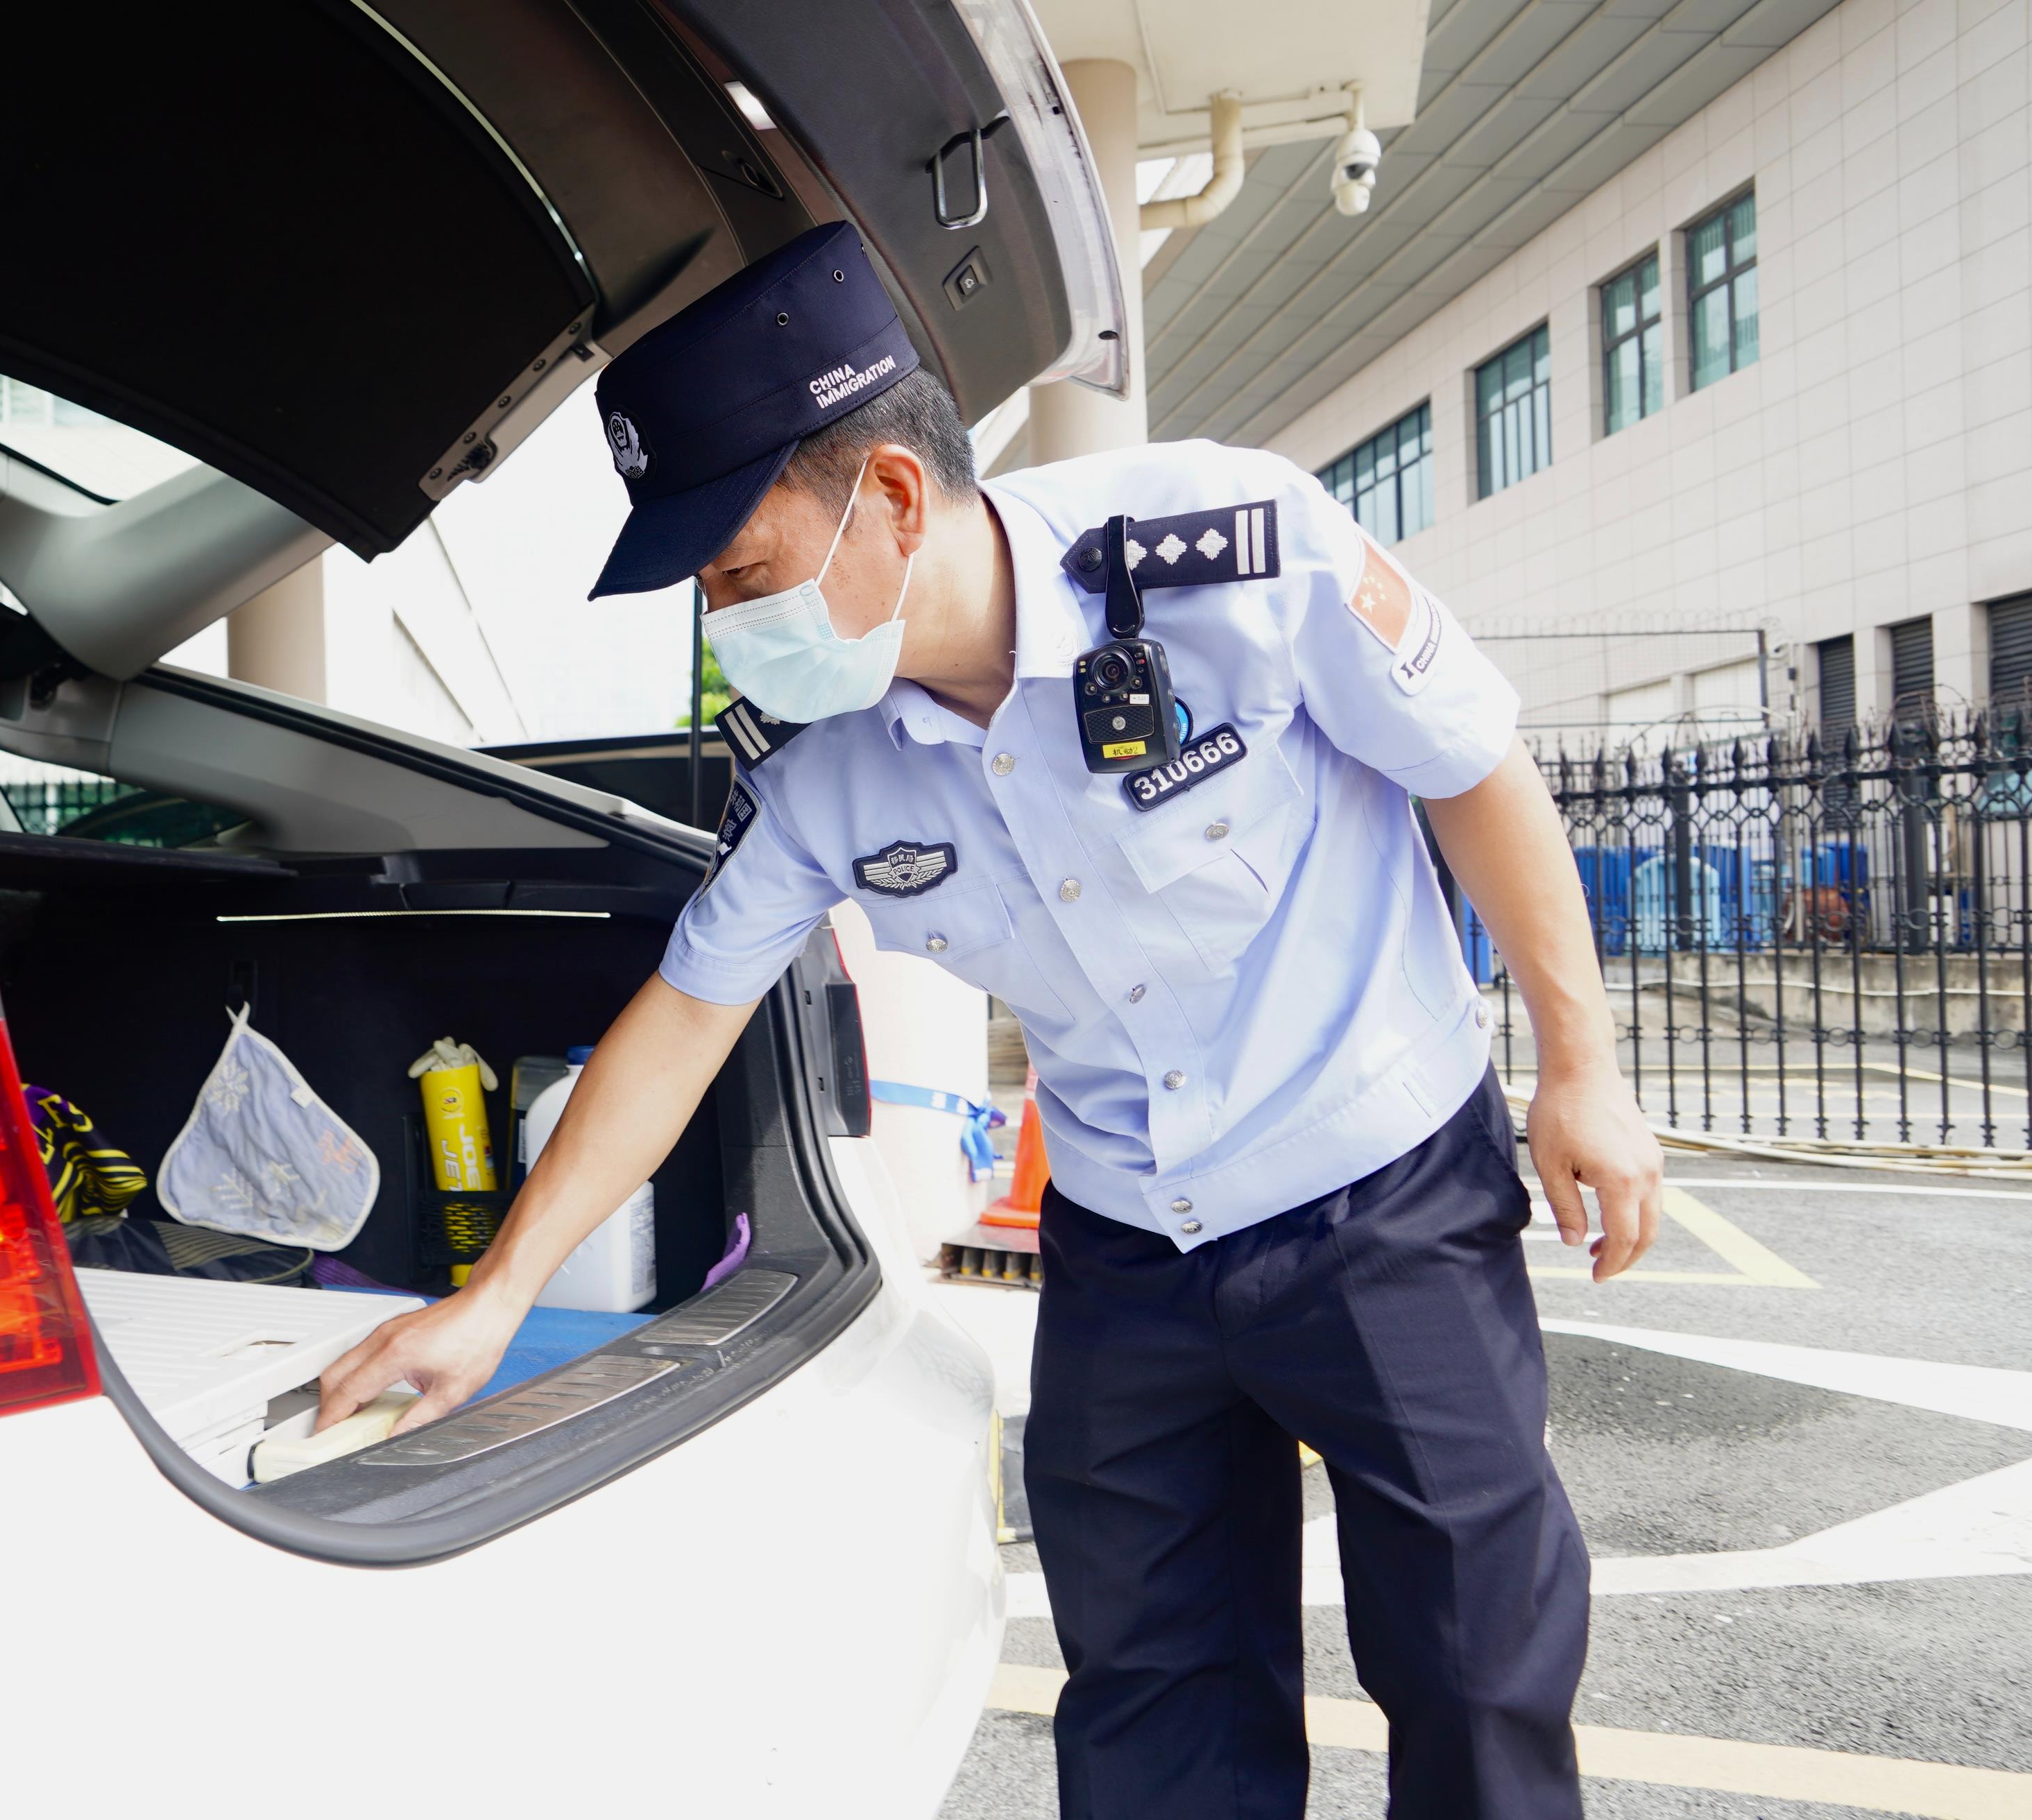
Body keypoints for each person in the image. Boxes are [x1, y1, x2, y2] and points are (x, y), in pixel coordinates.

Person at [316, 221, 1662, 1818]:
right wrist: (494, 1295)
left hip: (1377, 1188)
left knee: (1477, 1678)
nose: (726, 621)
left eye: (741, 573)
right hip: (1126, 1247)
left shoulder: (1231, 550)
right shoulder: (823, 760)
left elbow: (1473, 761)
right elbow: (685, 1012)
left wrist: (1583, 1063)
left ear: (888, 496)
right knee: (1153, 1713)